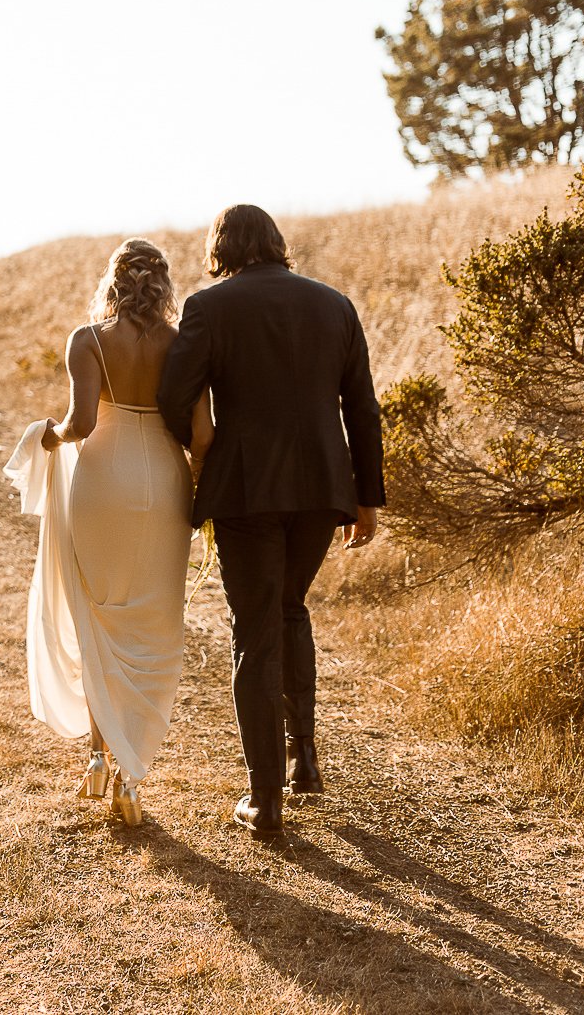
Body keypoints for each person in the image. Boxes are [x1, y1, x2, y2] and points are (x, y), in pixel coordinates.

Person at [156, 204, 385, 839]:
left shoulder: (209, 308)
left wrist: (202, 446)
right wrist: (367, 497)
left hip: (246, 491)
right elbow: (362, 407)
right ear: (277, 244)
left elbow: (174, 395)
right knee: (289, 609)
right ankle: (302, 759)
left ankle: (265, 800)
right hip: (323, 486)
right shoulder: (335, 304)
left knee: (255, 631)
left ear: (220, 247)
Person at [6, 239, 210, 825]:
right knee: (151, 621)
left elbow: (83, 423)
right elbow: (202, 434)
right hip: (166, 483)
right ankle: (130, 775)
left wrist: (45, 437)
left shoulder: (87, 341)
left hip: (102, 481)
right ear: (162, 284)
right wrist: (200, 491)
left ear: (113, 283)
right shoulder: (184, 345)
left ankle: (98, 755)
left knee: (99, 613)